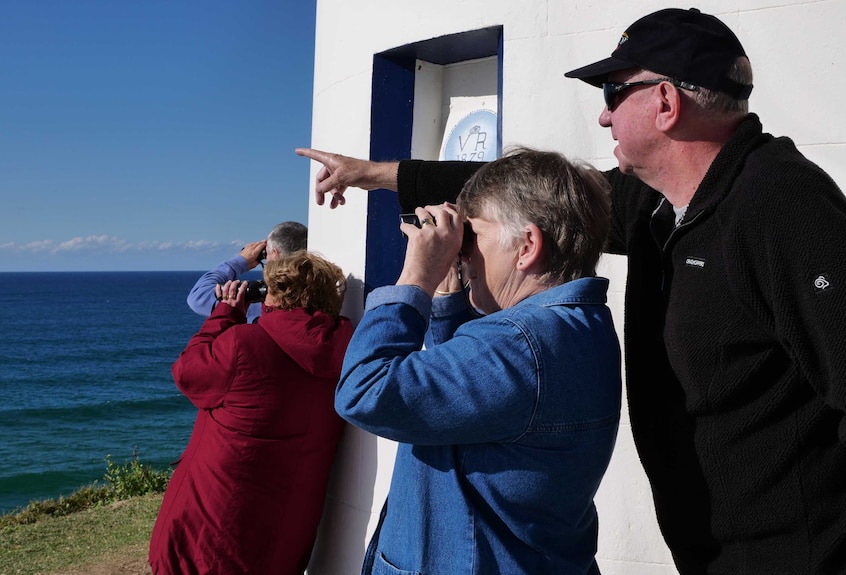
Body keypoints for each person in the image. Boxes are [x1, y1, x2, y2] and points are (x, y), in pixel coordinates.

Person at [296, 8, 846, 573]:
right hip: (712, 551)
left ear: (666, 101)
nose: (603, 117)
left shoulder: (785, 208)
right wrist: (373, 174)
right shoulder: (657, 203)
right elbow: (527, 198)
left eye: (615, 93)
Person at [335, 148, 622, 574]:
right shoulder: (578, 326)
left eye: (472, 238)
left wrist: (416, 279)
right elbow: (475, 406)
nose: (463, 254)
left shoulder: (521, 345)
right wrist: (450, 300)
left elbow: (365, 390)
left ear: (527, 246)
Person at [149, 251, 354, 575]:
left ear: (275, 295)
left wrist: (225, 314)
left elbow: (187, 372)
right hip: (283, 540)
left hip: (210, 539)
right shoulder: (347, 355)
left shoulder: (243, 345)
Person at [186, 221, 308, 323]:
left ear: (274, 253)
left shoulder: (261, 300)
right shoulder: (317, 294)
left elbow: (198, 298)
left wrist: (240, 261)